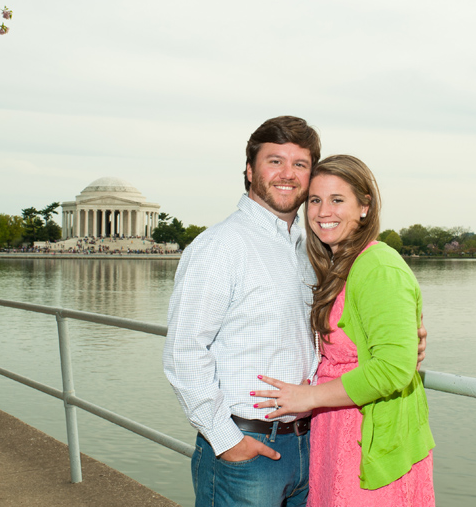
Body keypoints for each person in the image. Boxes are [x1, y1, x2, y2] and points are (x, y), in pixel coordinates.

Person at [163, 118, 426, 507]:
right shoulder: (220, 247)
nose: (287, 174)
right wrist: (226, 440)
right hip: (247, 449)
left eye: (300, 164)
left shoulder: (311, 248)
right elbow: (183, 353)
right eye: (275, 161)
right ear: (250, 171)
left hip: (310, 445)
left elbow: (341, 327)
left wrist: (402, 340)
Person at [254, 154, 435, 506]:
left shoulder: (379, 265)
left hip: (368, 438)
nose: (324, 212)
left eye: (338, 200)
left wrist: (307, 397)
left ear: (364, 207)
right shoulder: (339, 266)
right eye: (316, 200)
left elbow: (393, 368)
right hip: (336, 433)